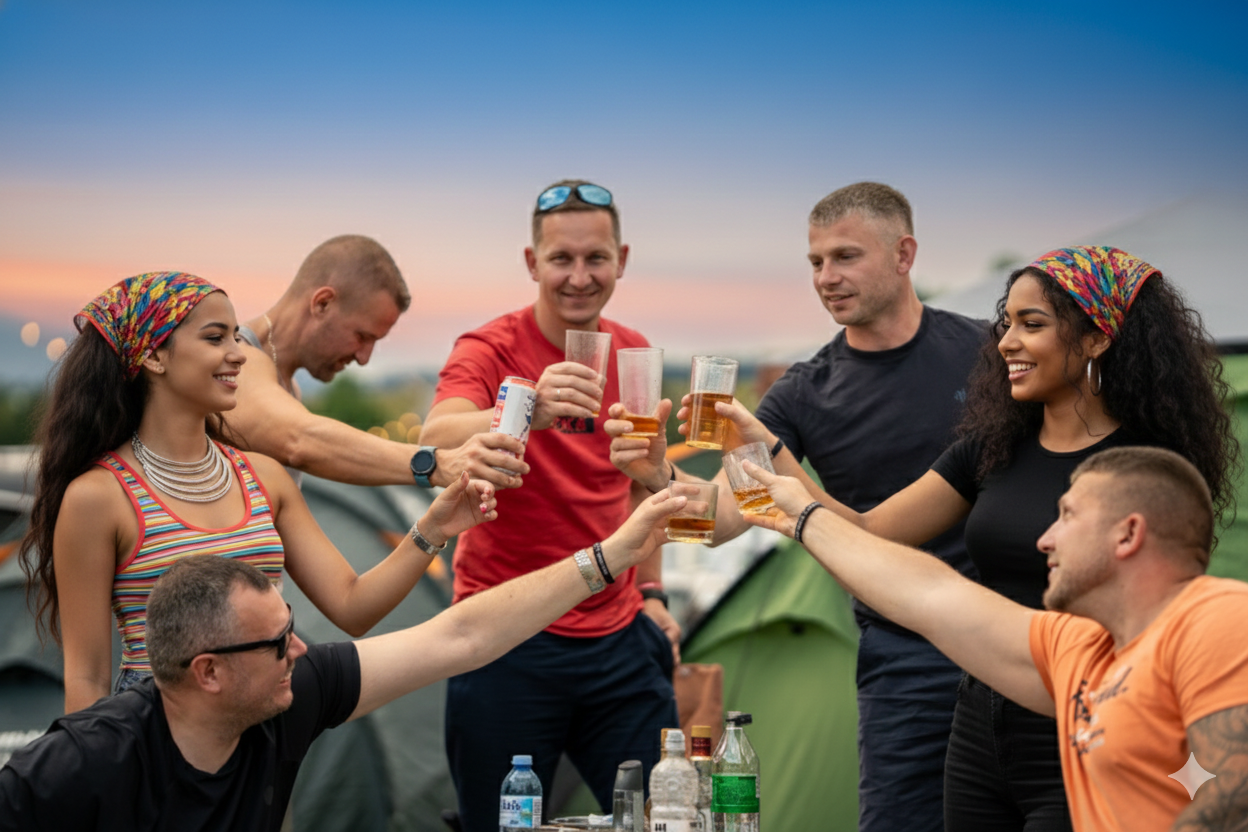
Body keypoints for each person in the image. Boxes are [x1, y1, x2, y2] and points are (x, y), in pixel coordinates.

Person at [695, 245, 1238, 830]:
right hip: (981, 719)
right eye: (1008, 323)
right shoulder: (993, 447)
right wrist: (771, 451)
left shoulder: (1145, 472)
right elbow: (869, 534)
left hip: (1084, 718)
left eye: (1032, 324)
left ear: (1096, 338)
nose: (1005, 342)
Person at [606, 182, 985, 831]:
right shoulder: (803, 393)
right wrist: (658, 475)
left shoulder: (987, 352)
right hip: (903, 659)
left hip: (1013, 632)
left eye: (845, 257)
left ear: (904, 254)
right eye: (815, 261)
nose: (826, 277)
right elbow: (724, 518)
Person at [0, 487, 689, 831]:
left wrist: (610, 557)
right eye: (277, 644)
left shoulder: (291, 695)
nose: (299, 650)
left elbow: (460, 637)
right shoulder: (85, 761)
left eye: (292, 628)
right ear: (207, 672)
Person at [18, 272, 496, 714]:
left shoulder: (264, 477)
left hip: (266, 735)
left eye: (235, 336)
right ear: (154, 356)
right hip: (154, 743)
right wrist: (96, 772)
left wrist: (433, 527)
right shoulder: (98, 497)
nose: (239, 353)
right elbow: (87, 676)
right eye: (215, 338)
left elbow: (353, 606)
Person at [740, 446, 1248, 832]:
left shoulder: (1217, 616)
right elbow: (930, 595)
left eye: (1068, 515)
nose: (1045, 539)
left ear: (1127, 534)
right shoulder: (1079, 649)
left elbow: (1233, 799)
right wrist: (807, 519)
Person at [419, 180, 680, 828]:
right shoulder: (490, 348)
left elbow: (645, 485)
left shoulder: (633, 350)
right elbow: (436, 436)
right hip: (505, 638)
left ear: (622, 259)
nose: (580, 277)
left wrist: (653, 594)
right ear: (533, 263)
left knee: (664, 817)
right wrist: (525, 403)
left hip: (617, 637)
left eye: (596, 258)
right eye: (562, 259)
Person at [228, 234, 527, 490]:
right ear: (322, 303)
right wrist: (438, 464)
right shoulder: (235, 361)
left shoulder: (288, 386)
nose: (364, 358)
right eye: (362, 336)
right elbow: (299, 441)